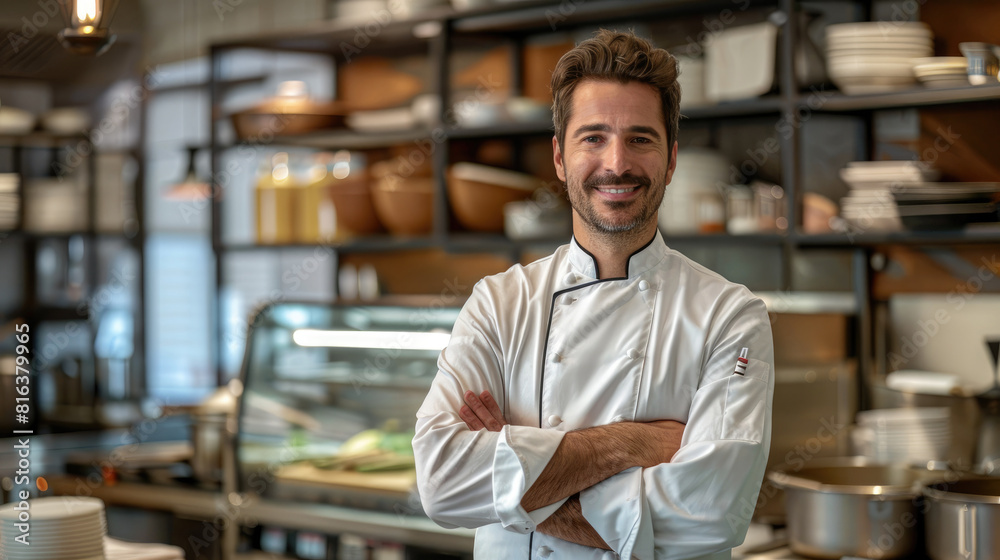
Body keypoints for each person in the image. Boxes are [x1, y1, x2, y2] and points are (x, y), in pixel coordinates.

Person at [412, 29, 774, 560]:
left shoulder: (729, 317)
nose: (617, 164)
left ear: (671, 160)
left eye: (641, 139)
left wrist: (512, 480)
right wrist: (627, 444)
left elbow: (711, 515)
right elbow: (442, 482)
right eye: (594, 137)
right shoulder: (498, 303)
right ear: (559, 158)